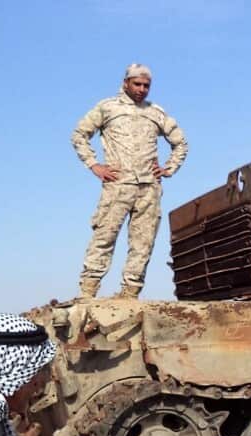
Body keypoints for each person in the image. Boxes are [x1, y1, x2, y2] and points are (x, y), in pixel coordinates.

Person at [71, 63, 189, 299]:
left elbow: (180, 143)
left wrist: (168, 168)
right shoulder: (107, 108)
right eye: (137, 84)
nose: (142, 89)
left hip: (149, 188)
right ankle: (87, 293)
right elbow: (79, 135)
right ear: (126, 83)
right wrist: (94, 165)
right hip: (118, 185)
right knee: (104, 237)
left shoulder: (156, 112)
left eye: (146, 85)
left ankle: (130, 294)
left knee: (143, 243)